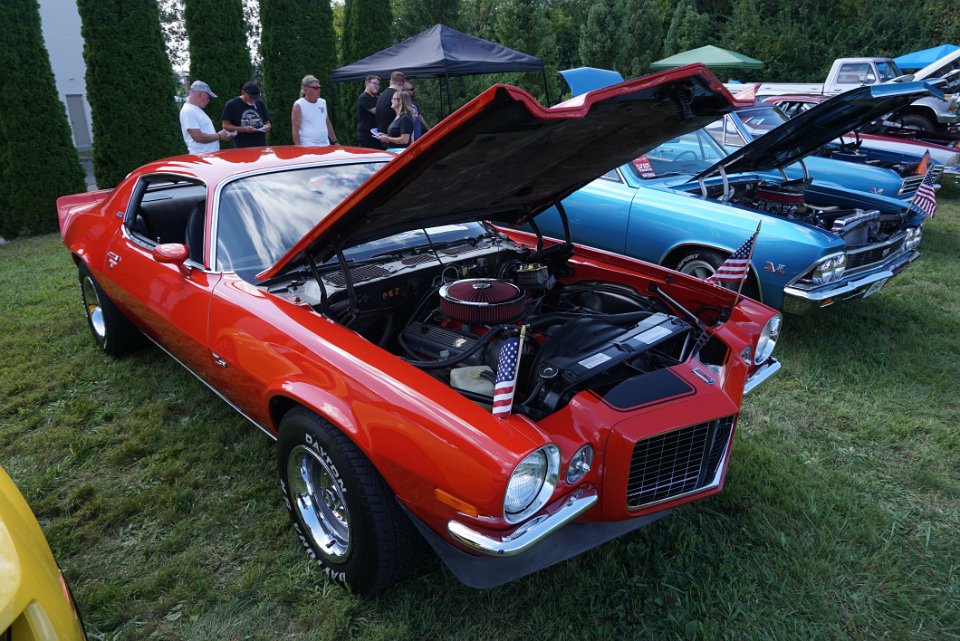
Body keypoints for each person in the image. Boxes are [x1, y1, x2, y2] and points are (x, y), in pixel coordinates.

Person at [179, 80, 234, 154]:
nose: (209, 100)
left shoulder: (195, 109)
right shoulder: (188, 111)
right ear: (200, 94)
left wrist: (222, 135)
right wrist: (219, 135)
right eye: (208, 97)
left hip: (206, 155)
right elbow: (198, 137)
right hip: (201, 156)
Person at [221, 81, 272, 148]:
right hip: (242, 147)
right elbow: (225, 125)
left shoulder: (260, 103)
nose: (253, 100)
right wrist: (244, 129)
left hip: (261, 146)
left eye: (255, 98)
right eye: (251, 97)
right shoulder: (232, 105)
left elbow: (267, 122)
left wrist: (267, 127)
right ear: (243, 93)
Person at [292, 75, 338, 146]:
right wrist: (299, 148)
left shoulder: (323, 102)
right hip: (307, 146)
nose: (319, 90)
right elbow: (295, 129)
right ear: (306, 89)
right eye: (315, 88)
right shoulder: (299, 105)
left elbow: (327, 123)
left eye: (319, 87)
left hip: (325, 145)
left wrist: (335, 142)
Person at [375, 71, 406, 139]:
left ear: (390, 81)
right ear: (403, 84)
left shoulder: (382, 95)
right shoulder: (397, 97)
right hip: (395, 138)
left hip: (383, 136)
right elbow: (404, 117)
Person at [356, 75, 381, 149]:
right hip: (367, 135)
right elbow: (376, 111)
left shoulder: (377, 98)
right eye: (374, 83)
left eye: (378, 84)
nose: (377, 86)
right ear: (367, 83)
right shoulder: (364, 97)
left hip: (376, 134)